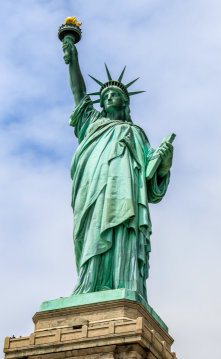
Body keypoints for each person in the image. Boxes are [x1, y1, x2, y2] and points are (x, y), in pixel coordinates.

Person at [62, 36, 174, 301]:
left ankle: (125, 286)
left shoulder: (136, 133)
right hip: (92, 191)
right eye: (105, 95)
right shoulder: (92, 124)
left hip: (125, 200)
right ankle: (89, 285)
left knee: (123, 232)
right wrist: (73, 59)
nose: (109, 97)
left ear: (125, 102)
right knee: (91, 234)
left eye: (115, 95)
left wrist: (164, 164)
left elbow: (152, 181)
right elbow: (79, 93)